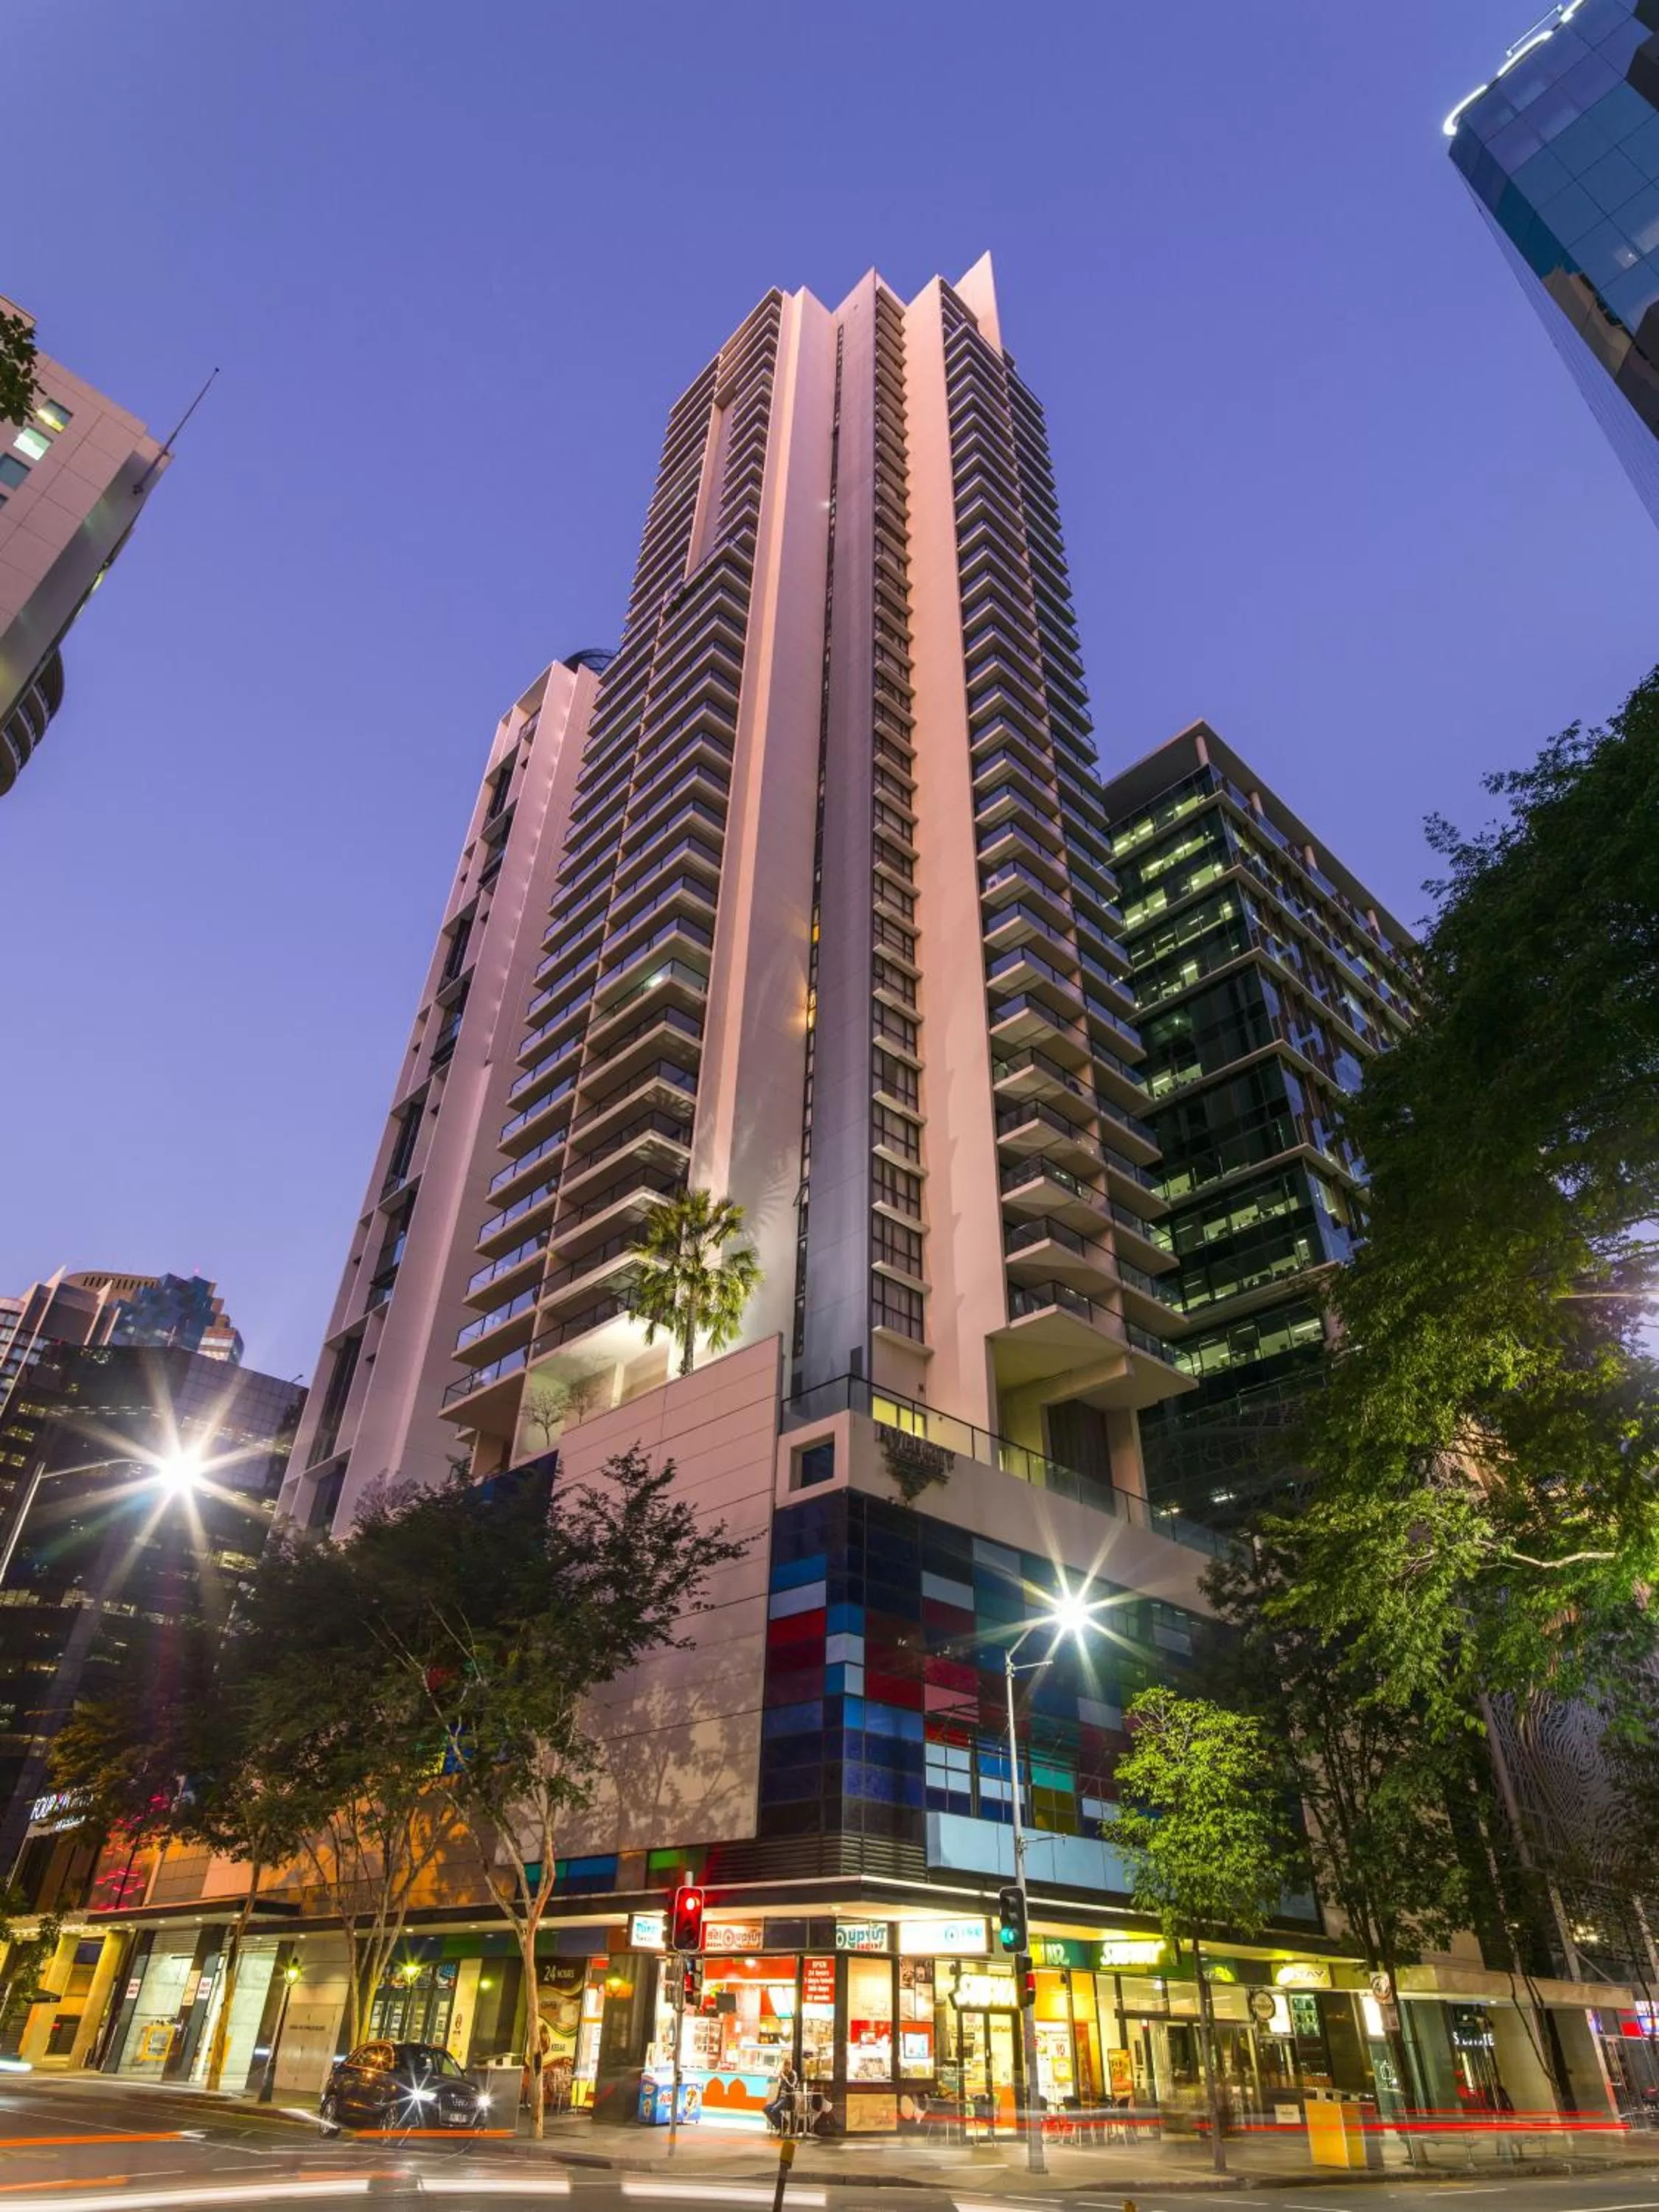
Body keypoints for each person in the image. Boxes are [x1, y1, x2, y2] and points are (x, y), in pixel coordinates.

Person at [765, 2059, 802, 2135]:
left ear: (790, 2066)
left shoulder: (794, 2075)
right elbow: (780, 2088)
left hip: (789, 2099)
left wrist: (785, 2079)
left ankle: (784, 2125)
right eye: (784, 2066)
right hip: (781, 2099)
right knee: (766, 2109)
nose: (785, 2068)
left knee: (774, 2110)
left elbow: (792, 2088)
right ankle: (780, 2125)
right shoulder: (783, 2074)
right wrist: (776, 2099)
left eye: (787, 2066)